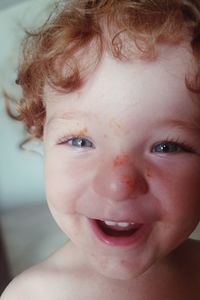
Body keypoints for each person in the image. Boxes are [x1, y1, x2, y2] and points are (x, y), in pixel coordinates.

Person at [1, 0, 200, 299]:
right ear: (41, 135)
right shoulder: (33, 294)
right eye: (81, 141)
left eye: (167, 146)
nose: (118, 185)